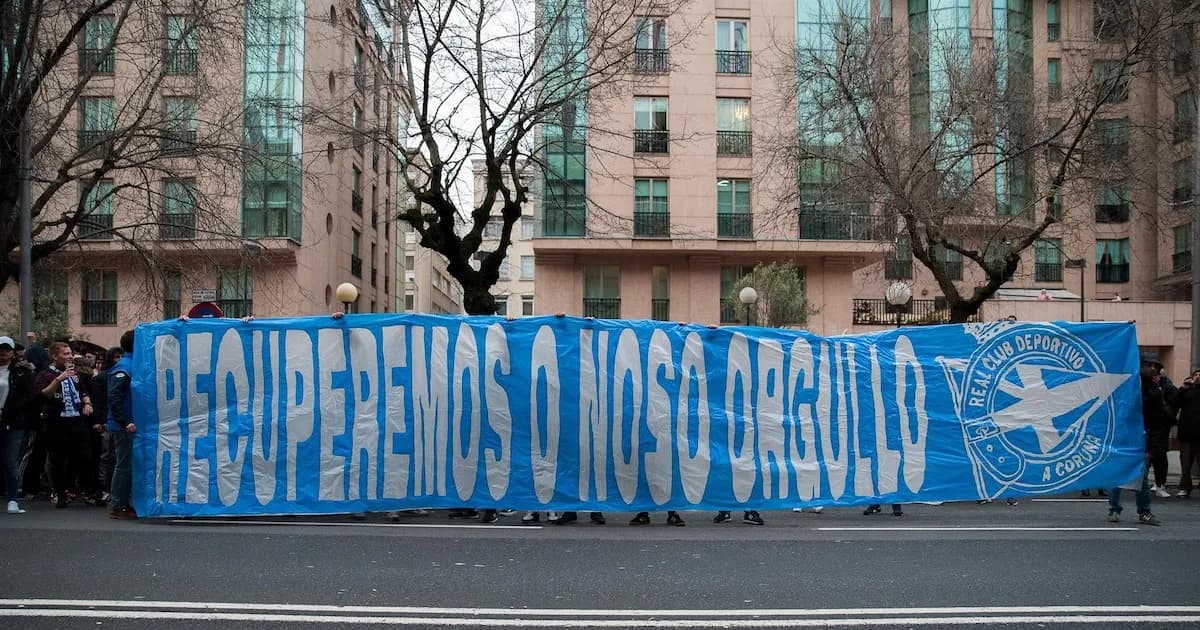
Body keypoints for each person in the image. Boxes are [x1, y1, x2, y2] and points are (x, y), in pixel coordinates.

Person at [35, 342, 100, 507]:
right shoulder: (45, 374)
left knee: (85, 457)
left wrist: (87, 403)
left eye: (70, 353)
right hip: (57, 422)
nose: (70, 356)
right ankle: (60, 493)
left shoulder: (75, 374)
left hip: (77, 420)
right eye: (65, 354)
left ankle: (89, 492)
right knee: (58, 460)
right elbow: (44, 394)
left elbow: (83, 392)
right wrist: (59, 379)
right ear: (54, 356)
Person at [1107, 353, 1167, 525]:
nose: (1153, 368)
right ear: (1141, 366)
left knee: (1141, 478)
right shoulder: (1128, 385)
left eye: (1155, 365)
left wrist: (1150, 449)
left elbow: (1157, 422)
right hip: (1121, 437)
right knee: (1116, 475)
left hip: (1141, 439)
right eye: (1149, 365)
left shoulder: (1154, 391)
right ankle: (1114, 509)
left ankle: (1144, 512)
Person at [1, 336, 39, 514]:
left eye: (7, 349)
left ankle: (13, 499)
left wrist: (10, 410)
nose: (3, 353)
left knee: (11, 460)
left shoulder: (21, 372)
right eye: (0, 349)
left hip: (13, 422)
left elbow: (29, 396)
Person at [105, 331, 137, 519]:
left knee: (128, 465)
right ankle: (117, 505)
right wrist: (125, 422)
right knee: (124, 465)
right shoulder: (124, 367)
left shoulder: (131, 365)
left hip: (128, 424)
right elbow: (114, 398)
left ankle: (123, 503)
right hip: (124, 426)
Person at [93, 347, 123, 498]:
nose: (119, 360)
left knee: (115, 457)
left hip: (117, 420)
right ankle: (106, 487)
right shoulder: (103, 378)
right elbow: (98, 401)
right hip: (109, 421)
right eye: (117, 357)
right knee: (108, 456)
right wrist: (99, 420)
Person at [1173, 370, 1200, 498]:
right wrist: (1183, 388)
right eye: (1196, 375)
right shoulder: (1186, 390)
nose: (1198, 377)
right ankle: (1185, 488)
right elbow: (1174, 402)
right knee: (1186, 464)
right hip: (1187, 433)